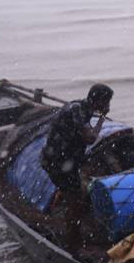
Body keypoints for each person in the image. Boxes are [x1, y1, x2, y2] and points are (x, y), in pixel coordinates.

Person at [41, 83, 113, 251]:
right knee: (76, 202)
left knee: (74, 194)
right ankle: (73, 244)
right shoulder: (77, 110)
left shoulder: (80, 107)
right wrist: (102, 118)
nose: (108, 106)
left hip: (63, 161)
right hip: (57, 163)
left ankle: (61, 215)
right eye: (107, 102)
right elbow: (90, 138)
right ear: (99, 101)